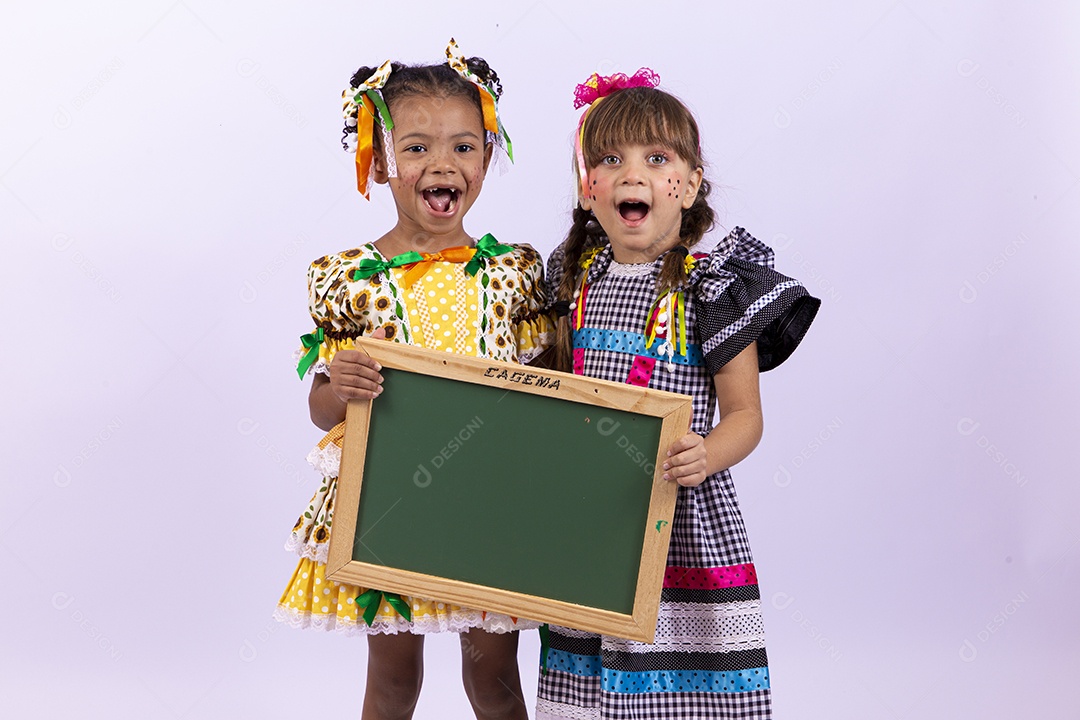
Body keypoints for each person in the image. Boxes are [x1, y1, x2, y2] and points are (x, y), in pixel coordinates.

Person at [274, 40, 551, 720]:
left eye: (463, 146)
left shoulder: (512, 271)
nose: (442, 164)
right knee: (393, 680)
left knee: (495, 681)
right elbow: (320, 407)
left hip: (493, 499)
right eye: (418, 146)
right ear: (380, 158)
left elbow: (550, 382)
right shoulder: (349, 278)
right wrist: (341, 381)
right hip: (391, 499)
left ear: (488, 157)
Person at [535, 68, 821, 720]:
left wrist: (709, 453)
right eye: (611, 159)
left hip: (676, 514)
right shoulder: (574, 278)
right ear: (589, 189)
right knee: (589, 671)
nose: (633, 174)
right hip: (589, 513)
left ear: (689, 186)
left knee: (675, 683)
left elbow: (745, 415)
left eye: (657, 159)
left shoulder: (711, 289)